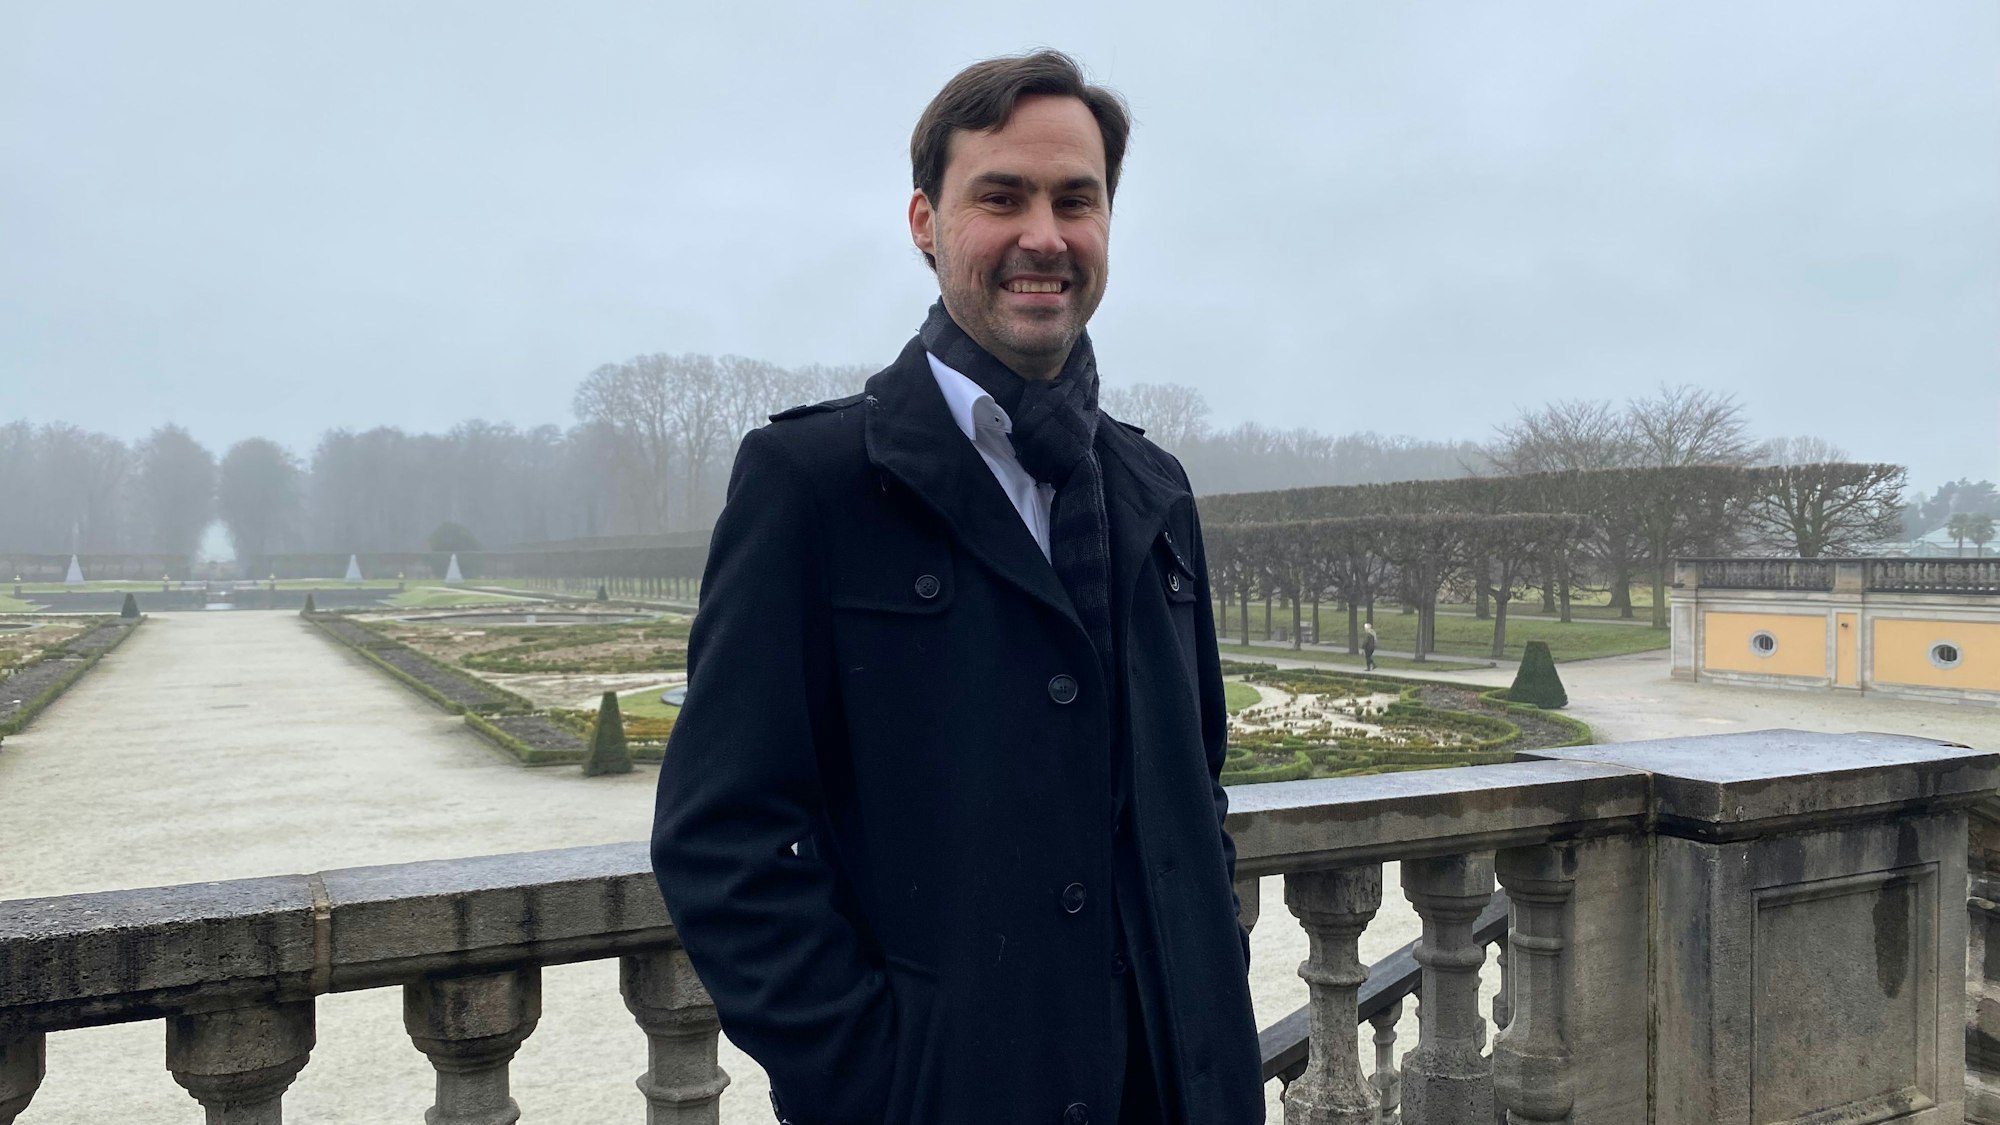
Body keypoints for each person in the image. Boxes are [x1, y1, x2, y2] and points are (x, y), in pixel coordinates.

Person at [650, 50, 1263, 1125]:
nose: (1045, 236)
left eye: (1076, 200)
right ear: (925, 224)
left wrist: (1209, 1005)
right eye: (1002, 197)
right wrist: (873, 1084)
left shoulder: (1155, 488)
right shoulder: (812, 484)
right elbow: (721, 836)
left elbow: (1192, 792)